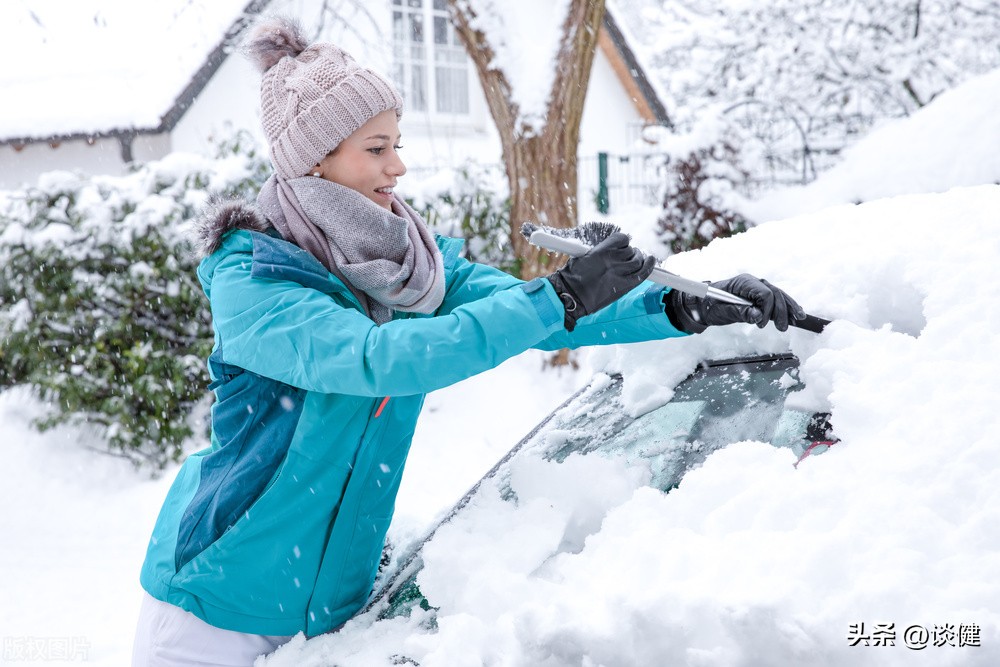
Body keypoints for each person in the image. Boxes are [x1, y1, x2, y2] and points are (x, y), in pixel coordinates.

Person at [131, 15, 806, 667]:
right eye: (375, 148)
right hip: (215, 614)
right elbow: (376, 359)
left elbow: (520, 308)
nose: (397, 166)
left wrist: (684, 304)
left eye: (397, 143)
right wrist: (560, 295)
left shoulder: (405, 265)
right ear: (316, 159)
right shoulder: (256, 283)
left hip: (332, 614)